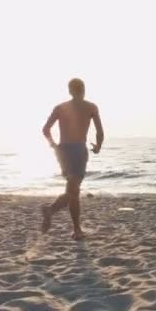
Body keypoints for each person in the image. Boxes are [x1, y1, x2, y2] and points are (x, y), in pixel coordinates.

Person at [41, 78, 104, 240]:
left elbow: (46, 129)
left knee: (73, 191)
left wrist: (53, 145)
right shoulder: (91, 107)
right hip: (78, 150)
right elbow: (100, 132)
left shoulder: (60, 108)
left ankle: (75, 228)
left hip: (63, 151)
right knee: (73, 190)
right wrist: (98, 146)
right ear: (83, 89)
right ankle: (54, 212)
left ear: (70, 91)